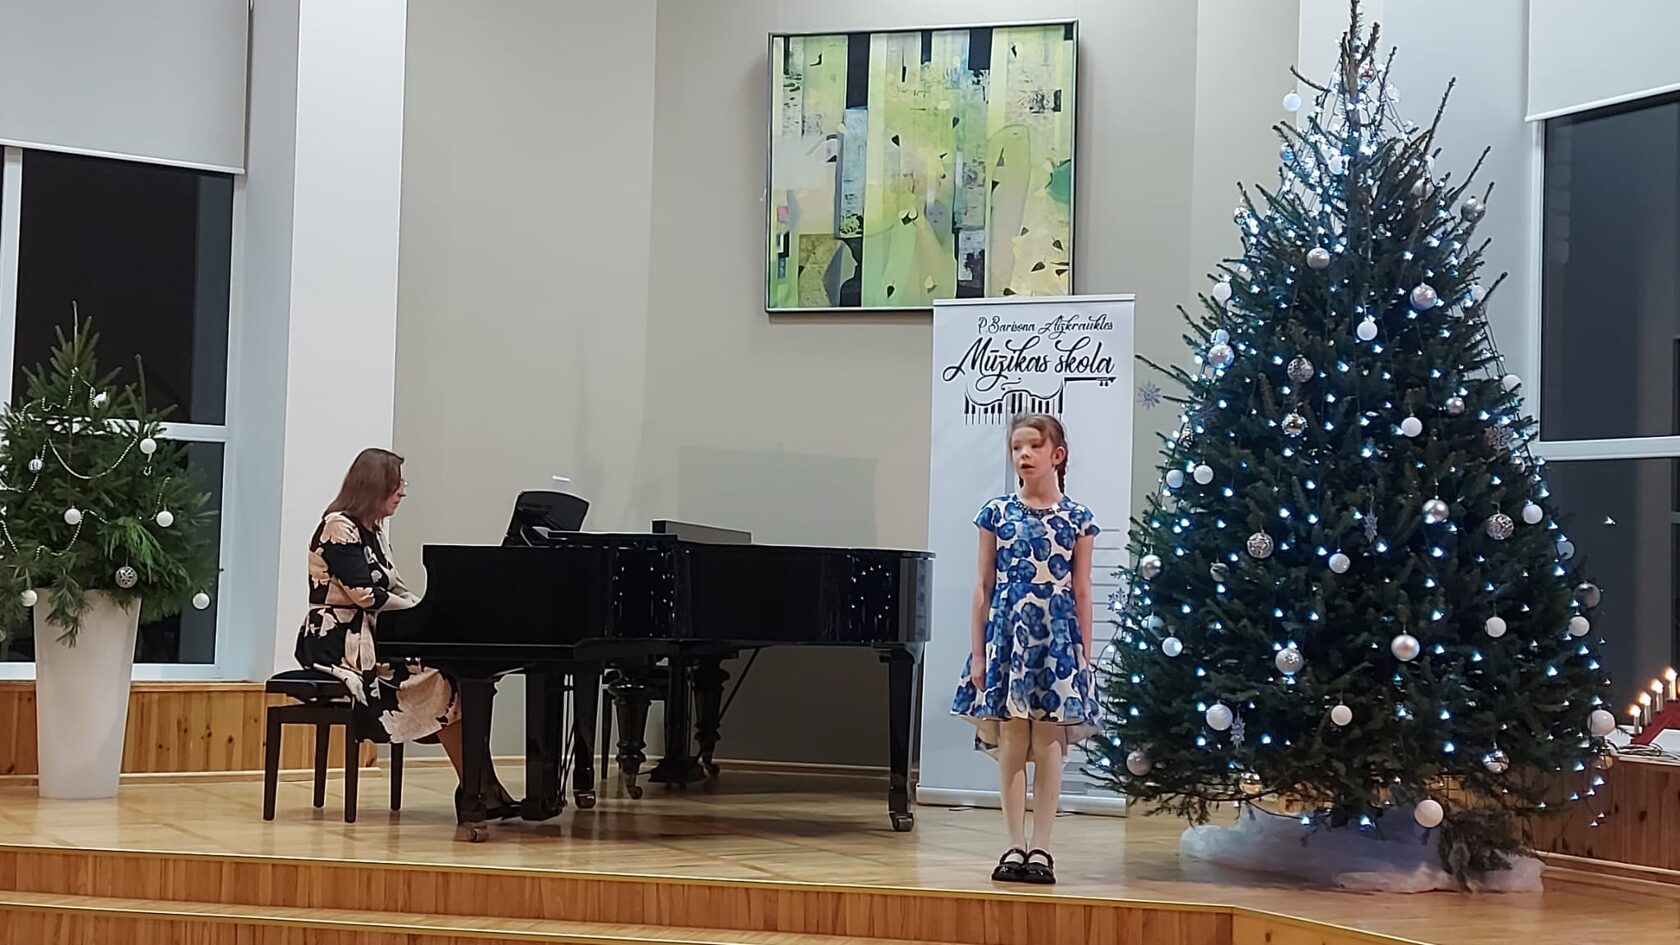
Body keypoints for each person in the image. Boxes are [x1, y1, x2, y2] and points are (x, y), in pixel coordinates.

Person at [295, 447, 515, 818]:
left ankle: (481, 786)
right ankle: (477, 787)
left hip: (370, 636)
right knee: (439, 679)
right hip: (338, 642)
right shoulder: (338, 526)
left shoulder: (374, 529)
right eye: (397, 485)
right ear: (374, 485)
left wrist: (431, 608)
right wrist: (420, 611)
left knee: (455, 677)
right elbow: (365, 595)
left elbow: (394, 587)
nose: (403, 493)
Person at [950, 414, 1101, 885]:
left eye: (1034, 446)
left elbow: (1082, 591)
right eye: (1017, 447)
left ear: (1057, 454)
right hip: (1008, 636)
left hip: (1056, 640)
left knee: (1049, 740)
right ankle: (1013, 844)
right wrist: (978, 653)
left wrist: (1083, 656)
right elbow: (982, 586)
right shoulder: (996, 513)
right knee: (1014, 738)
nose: (1024, 455)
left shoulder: (1077, 518)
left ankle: (1042, 848)